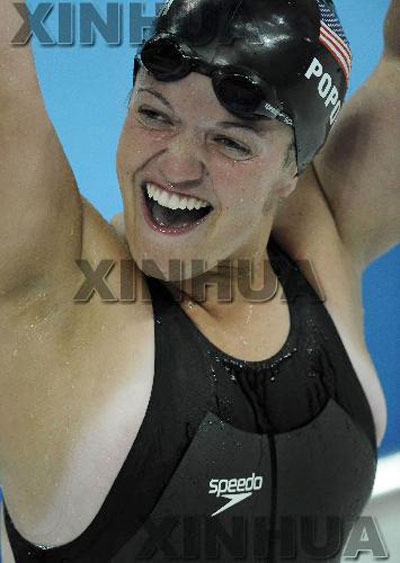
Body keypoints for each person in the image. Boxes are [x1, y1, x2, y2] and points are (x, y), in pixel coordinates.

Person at [0, 0, 398, 561]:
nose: (177, 166)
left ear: (293, 169)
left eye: (231, 142)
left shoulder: (322, 236)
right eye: (154, 115)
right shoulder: (55, 294)